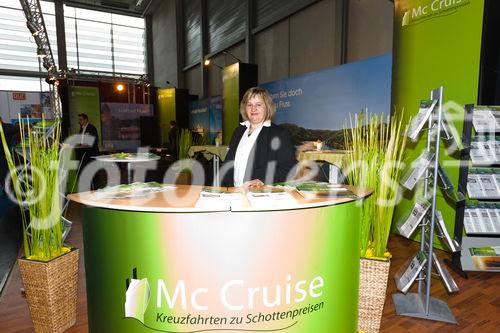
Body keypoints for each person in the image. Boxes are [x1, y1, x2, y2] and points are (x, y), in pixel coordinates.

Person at [221, 87, 297, 188]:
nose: (253, 109)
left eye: (258, 104)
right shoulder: (238, 132)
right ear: (244, 108)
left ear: (267, 107)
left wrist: (263, 179)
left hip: (260, 196)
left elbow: (290, 168)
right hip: (234, 193)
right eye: (249, 104)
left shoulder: (279, 134)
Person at [0, 117, 19, 187]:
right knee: (3, 172)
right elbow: (15, 129)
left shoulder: (6, 127)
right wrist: (19, 126)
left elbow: (14, 129)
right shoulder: (5, 127)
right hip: (3, 154)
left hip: (3, 154)